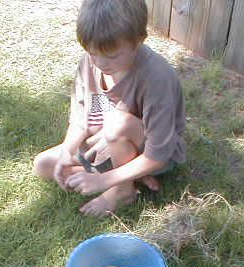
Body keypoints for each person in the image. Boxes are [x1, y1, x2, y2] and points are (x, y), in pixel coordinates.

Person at [33, 0, 186, 217]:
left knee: (117, 123)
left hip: (152, 151)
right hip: (104, 144)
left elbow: (158, 154)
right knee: (43, 164)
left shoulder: (157, 77)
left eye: (112, 55)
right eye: (92, 53)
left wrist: (103, 180)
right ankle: (131, 175)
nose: (100, 63)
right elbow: (80, 121)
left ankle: (123, 190)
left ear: (138, 40)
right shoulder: (89, 63)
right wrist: (67, 151)